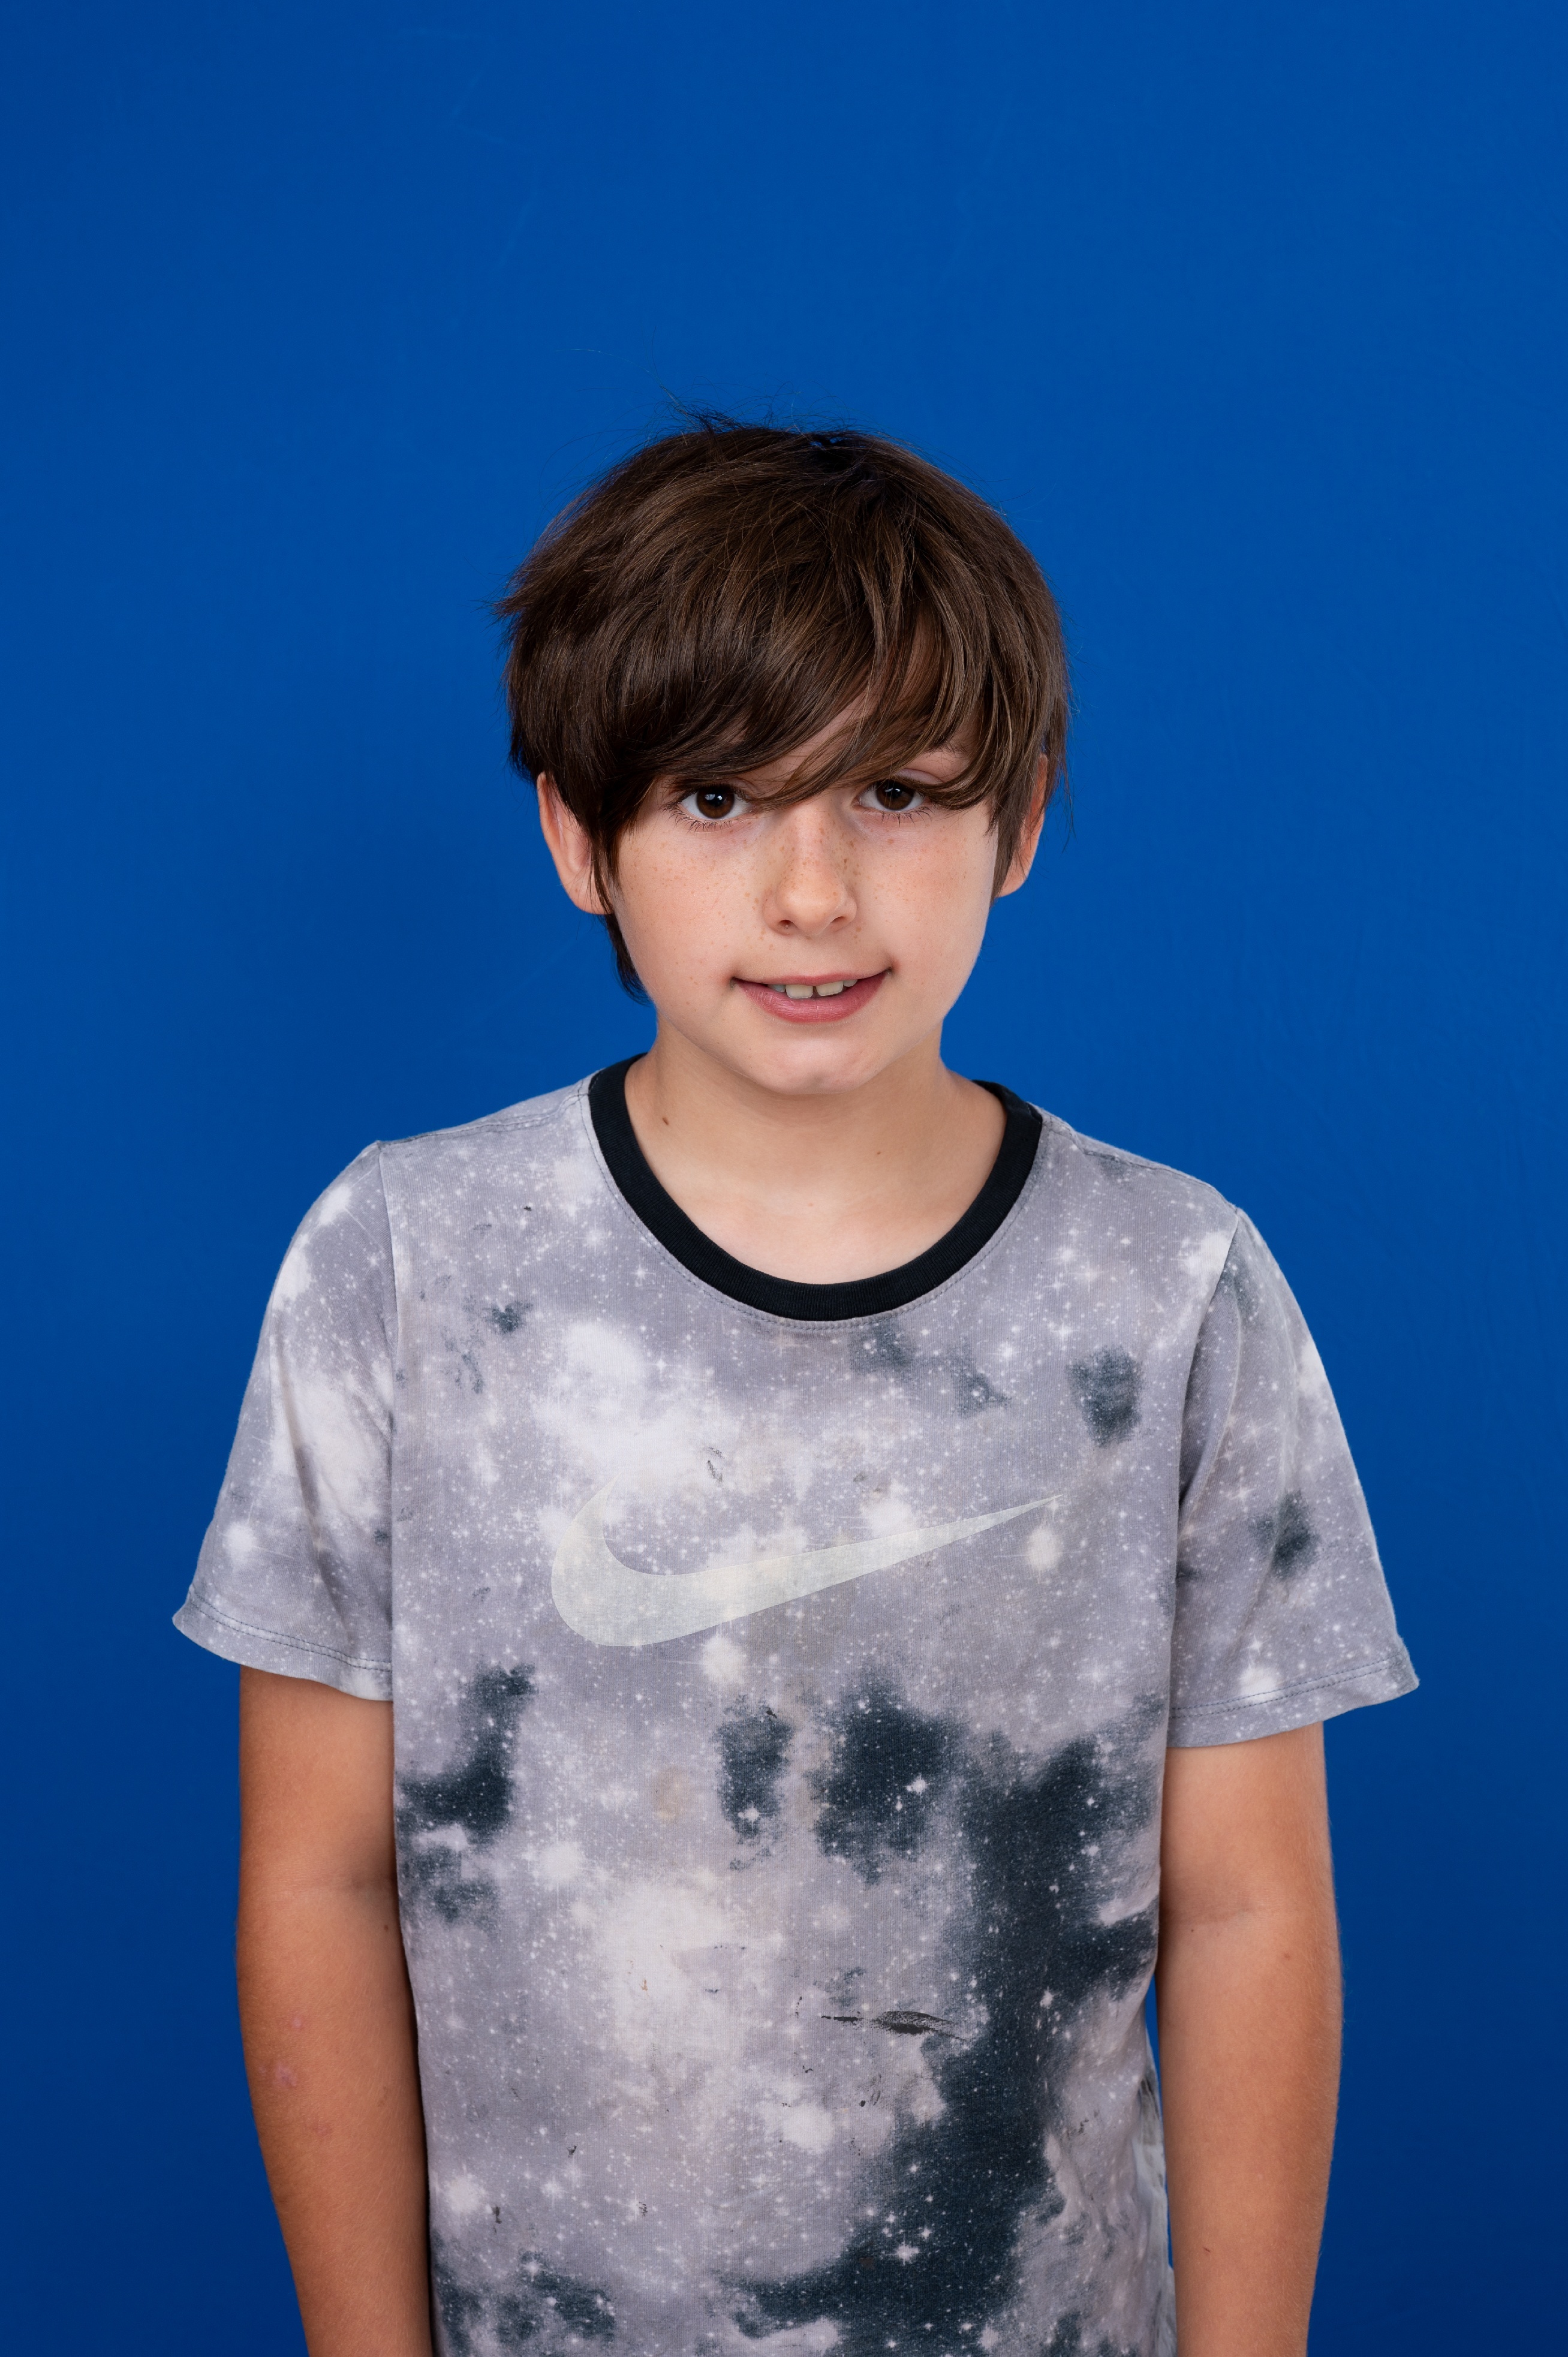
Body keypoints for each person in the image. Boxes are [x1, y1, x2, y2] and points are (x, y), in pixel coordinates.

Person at [176, 420, 1415, 2357]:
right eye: (719, 796)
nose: (813, 891)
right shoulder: (404, 1265)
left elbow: (1251, 1909)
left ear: (1020, 818)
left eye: (898, 792)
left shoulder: (1175, 1291)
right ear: (578, 837)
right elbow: (320, 1878)